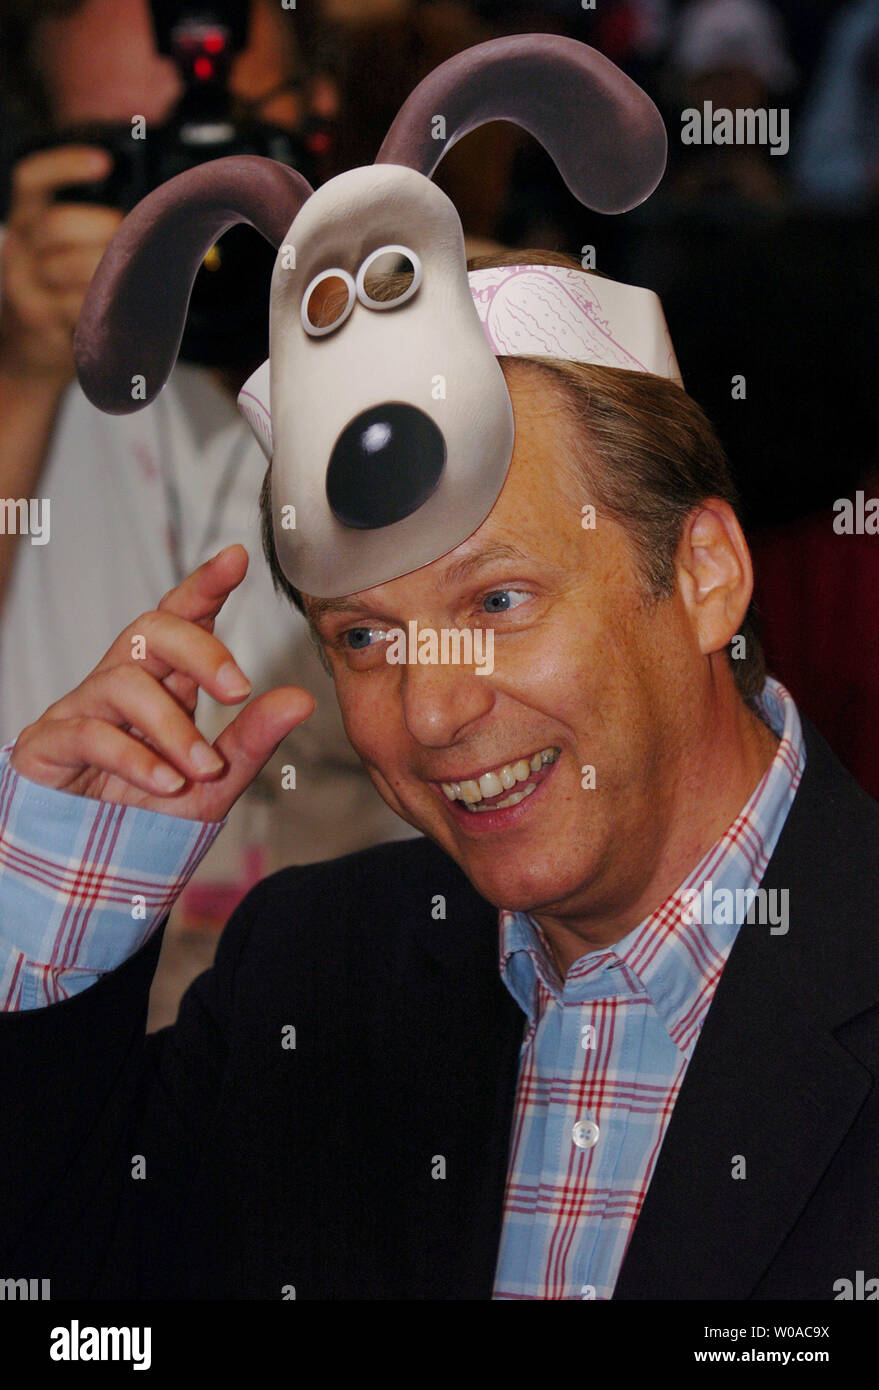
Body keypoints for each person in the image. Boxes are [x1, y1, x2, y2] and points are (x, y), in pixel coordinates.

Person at [1, 234, 877, 1299]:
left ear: (705, 575)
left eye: (497, 602)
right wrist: (53, 920)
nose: (433, 709)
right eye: (364, 637)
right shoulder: (304, 979)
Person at [0, 0, 415, 1017]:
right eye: (122, 153)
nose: (180, 208)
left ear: (315, 112)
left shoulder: (418, 326)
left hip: (361, 1006)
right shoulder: (18, 332)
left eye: (215, 147)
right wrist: (21, 375)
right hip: (51, 996)